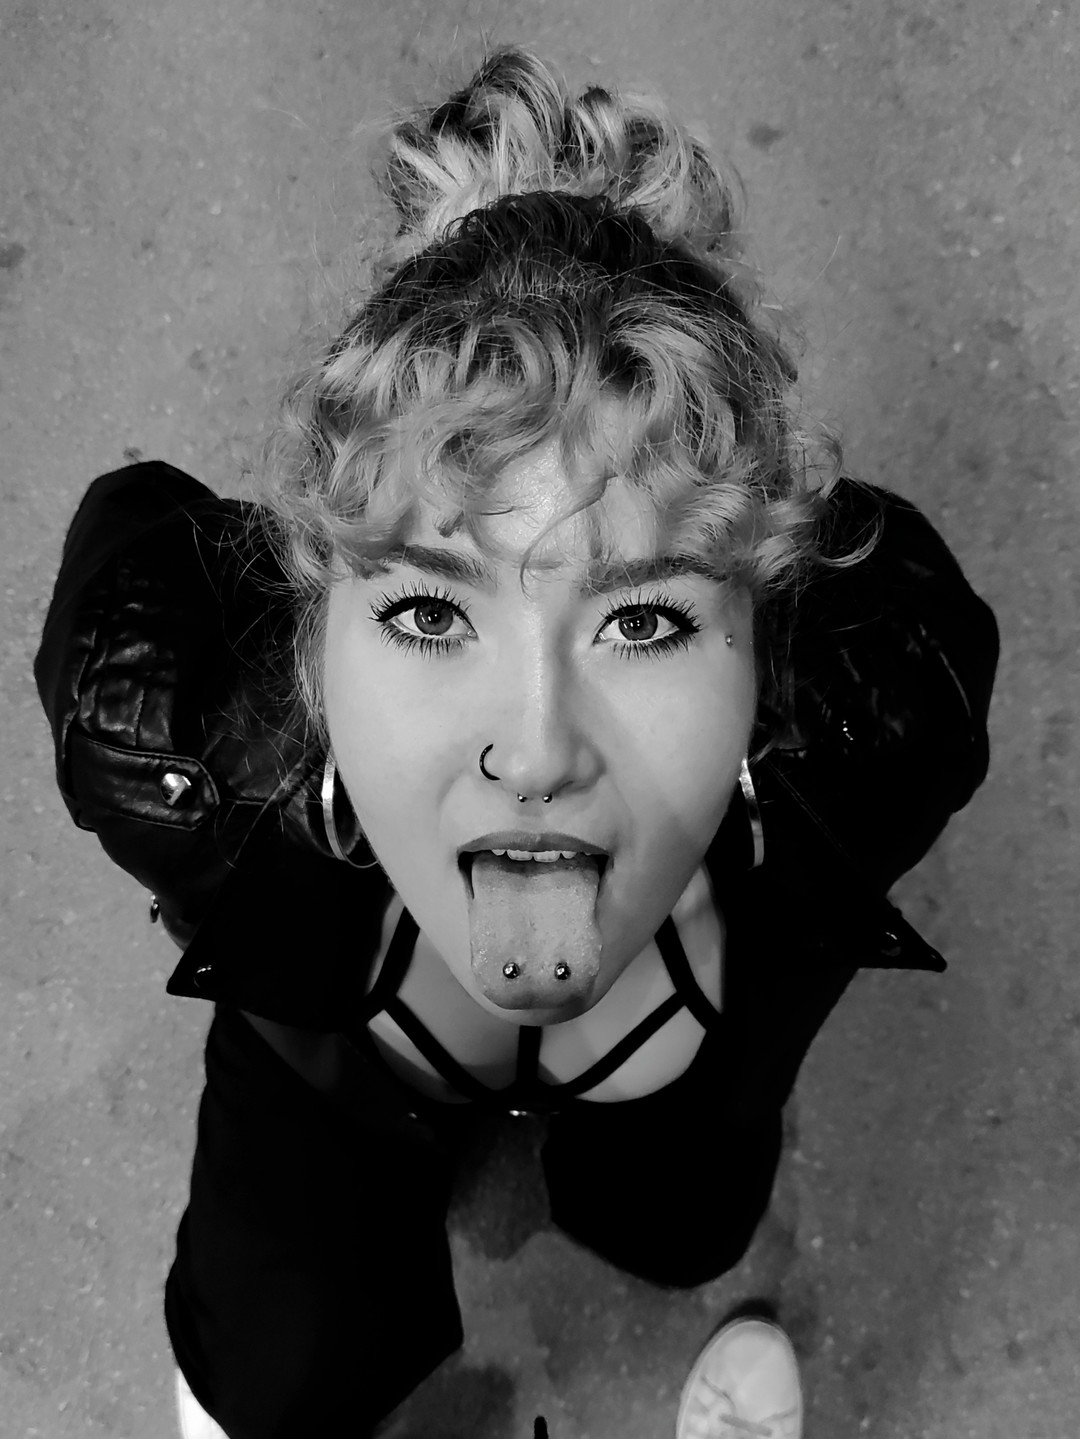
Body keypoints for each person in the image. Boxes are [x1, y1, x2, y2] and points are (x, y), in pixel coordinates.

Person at [34, 48, 998, 1439]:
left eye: (644, 622)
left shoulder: (881, 724)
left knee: (680, 1227)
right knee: (277, 1365)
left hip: (690, 1091)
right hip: (326, 1089)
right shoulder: (163, 743)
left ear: (761, 637)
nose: (536, 752)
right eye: (431, 612)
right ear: (311, 631)